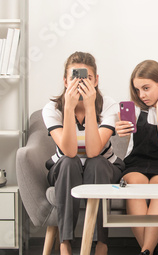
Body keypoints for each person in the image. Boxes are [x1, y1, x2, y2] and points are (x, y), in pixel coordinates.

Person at [43, 51, 124, 255]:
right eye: (75, 77)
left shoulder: (109, 105)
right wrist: (69, 109)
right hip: (64, 168)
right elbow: (68, 151)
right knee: (70, 162)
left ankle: (101, 243)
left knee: (95, 162)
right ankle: (65, 242)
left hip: (103, 166)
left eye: (87, 78)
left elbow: (93, 150)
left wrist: (89, 106)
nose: (80, 83)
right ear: (65, 81)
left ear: (96, 80)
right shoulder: (52, 108)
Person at [116, 60, 158, 255]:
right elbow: (113, 125)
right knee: (135, 184)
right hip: (136, 163)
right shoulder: (133, 109)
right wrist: (117, 128)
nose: (141, 95)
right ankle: (147, 251)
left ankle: (145, 251)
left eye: (146, 88)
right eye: (137, 90)